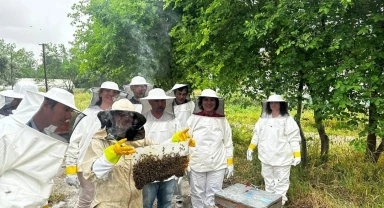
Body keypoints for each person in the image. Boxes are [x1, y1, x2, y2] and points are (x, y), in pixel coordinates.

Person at [0, 87, 80, 207]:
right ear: (46, 104)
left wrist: (42, 203)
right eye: (66, 109)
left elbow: (41, 177)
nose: (69, 116)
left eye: (71, 111)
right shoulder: (9, 131)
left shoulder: (45, 135)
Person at [81, 98, 155, 207]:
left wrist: (174, 142)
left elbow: (160, 152)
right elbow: (92, 173)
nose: (126, 118)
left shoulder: (140, 140)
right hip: (109, 204)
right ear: (112, 117)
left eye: (129, 115)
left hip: (135, 203)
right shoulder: (99, 140)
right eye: (120, 114)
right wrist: (109, 156)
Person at [65, 81, 121, 208]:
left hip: (110, 164)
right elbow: (75, 142)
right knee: (87, 199)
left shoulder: (120, 115)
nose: (110, 94)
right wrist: (70, 170)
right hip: (86, 165)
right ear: (100, 93)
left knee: (106, 200)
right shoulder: (87, 114)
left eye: (114, 92)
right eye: (107, 91)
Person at [246, 94, 301, 205]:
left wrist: (297, 154)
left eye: (276, 102)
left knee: (281, 184)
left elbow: (293, 138)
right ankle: (269, 204)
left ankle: (279, 204)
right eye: (271, 102)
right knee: (268, 182)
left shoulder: (287, 120)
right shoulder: (263, 118)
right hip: (265, 157)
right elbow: (257, 134)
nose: (273, 105)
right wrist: (251, 148)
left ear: (281, 105)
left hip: (282, 158)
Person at [186, 89, 234, 208]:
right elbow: (185, 141)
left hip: (217, 164)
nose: (209, 102)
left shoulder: (222, 120)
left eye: (212, 100)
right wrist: (185, 162)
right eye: (206, 99)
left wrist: (230, 162)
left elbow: (228, 142)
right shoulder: (193, 119)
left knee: (214, 194)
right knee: (197, 194)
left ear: (216, 102)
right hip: (197, 162)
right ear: (201, 102)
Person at [140, 88, 182, 208]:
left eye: (162, 101)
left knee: (166, 203)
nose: (160, 104)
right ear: (150, 102)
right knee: (146, 203)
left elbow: (179, 144)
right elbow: (140, 145)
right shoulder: (142, 120)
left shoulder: (173, 120)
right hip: (149, 169)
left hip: (168, 169)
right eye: (156, 101)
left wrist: (180, 166)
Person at [166, 84, 195, 207]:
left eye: (184, 94)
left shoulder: (191, 105)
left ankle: (195, 197)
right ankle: (178, 200)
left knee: (192, 171)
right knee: (176, 174)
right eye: (179, 94)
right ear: (174, 94)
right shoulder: (168, 106)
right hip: (175, 142)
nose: (181, 96)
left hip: (189, 141)